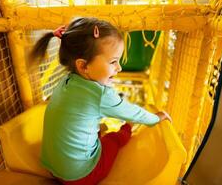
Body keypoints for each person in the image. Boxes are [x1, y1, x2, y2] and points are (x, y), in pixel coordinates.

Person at [31, 17, 172, 185]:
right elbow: (132, 113)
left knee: (91, 127)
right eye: (113, 62)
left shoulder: (66, 81)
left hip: (52, 167)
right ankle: (126, 130)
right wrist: (156, 118)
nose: (119, 68)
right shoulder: (100, 94)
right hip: (79, 176)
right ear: (83, 66)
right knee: (112, 140)